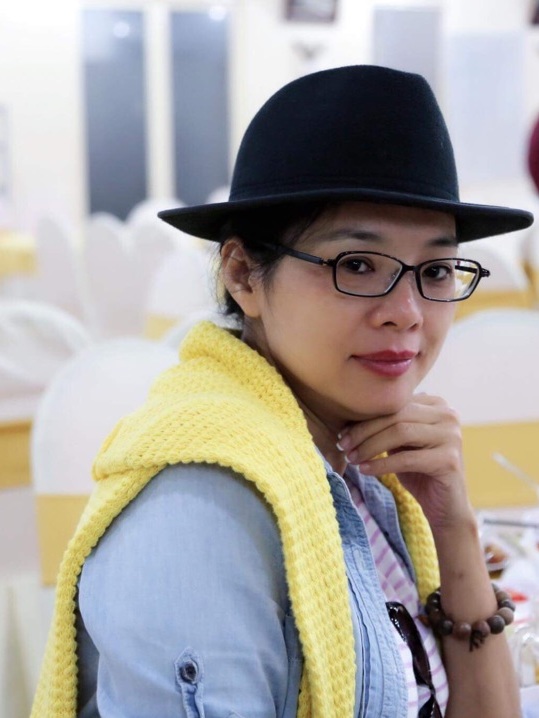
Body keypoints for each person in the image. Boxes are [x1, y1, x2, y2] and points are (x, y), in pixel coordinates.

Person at [32, 65, 533, 718]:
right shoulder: (199, 516)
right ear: (243, 275)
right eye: (358, 264)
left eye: (435, 270)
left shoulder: (366, 466)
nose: (407, 313)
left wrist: (454, 527)